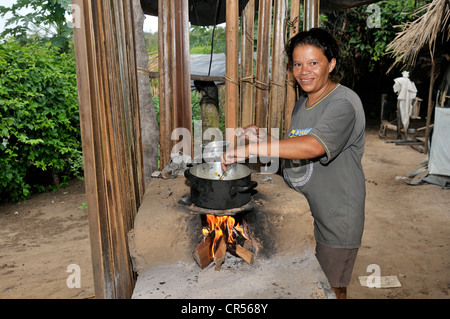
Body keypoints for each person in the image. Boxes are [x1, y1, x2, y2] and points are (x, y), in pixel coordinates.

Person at [221, 28, 366, 299]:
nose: (304, 71)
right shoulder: (303, 103)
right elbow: (296, 145)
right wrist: (263, 135)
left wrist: (250, 150)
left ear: (331, 64)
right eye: (297, 64)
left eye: (313, 63)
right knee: (308, 284)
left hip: (335, 218)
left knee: (331, 288)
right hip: (306, 213)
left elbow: (314, 145)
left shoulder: (343, 103)